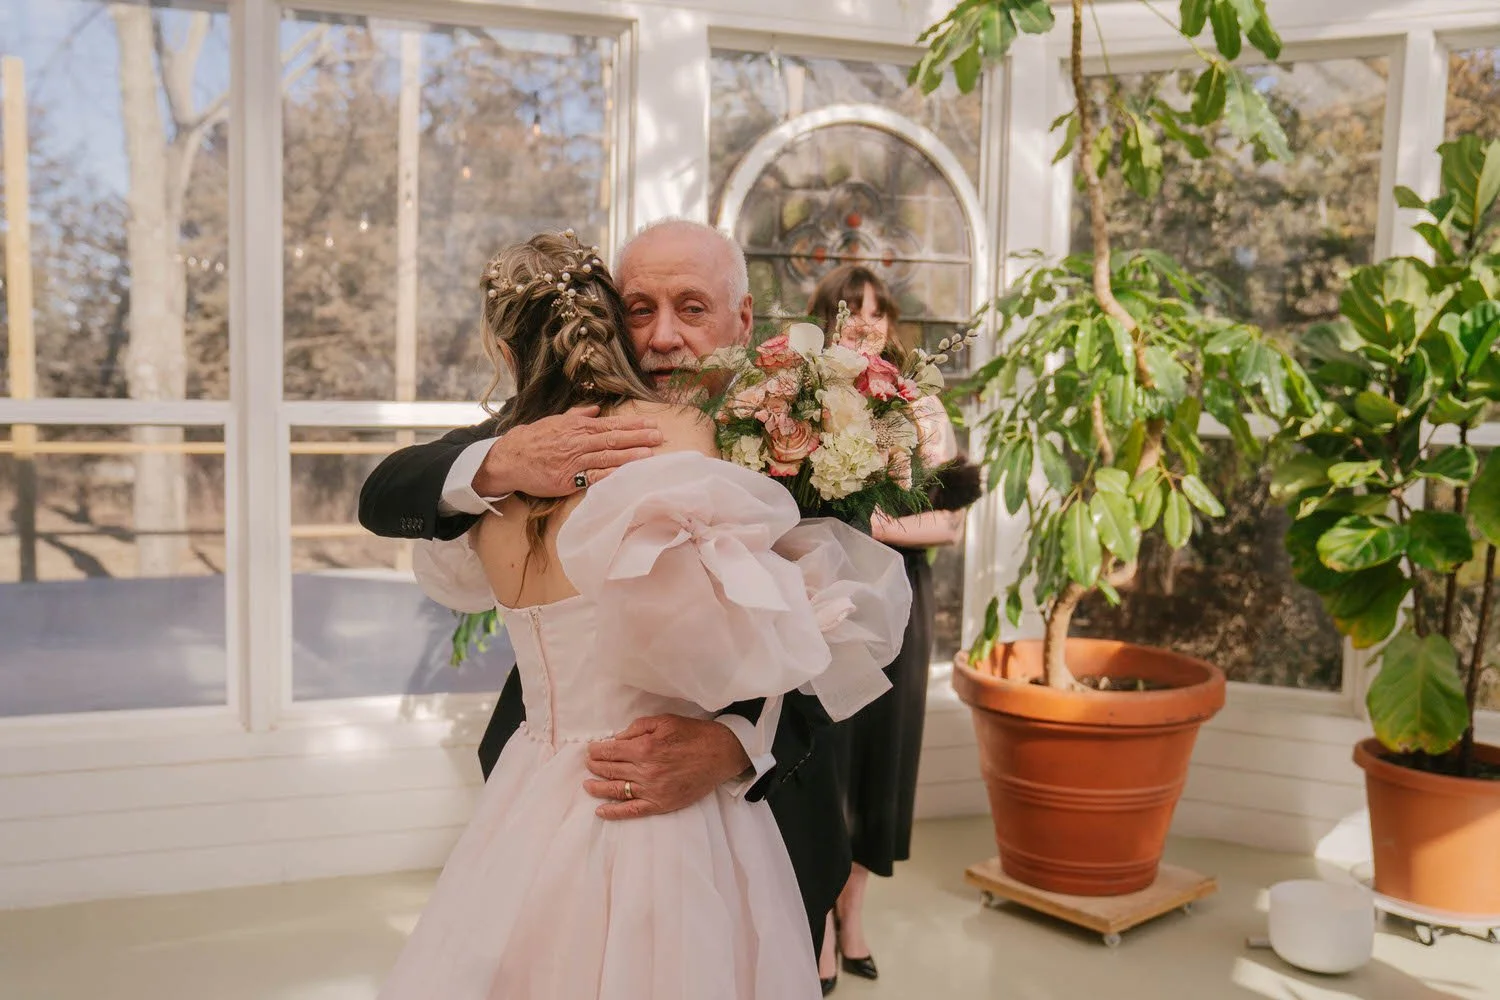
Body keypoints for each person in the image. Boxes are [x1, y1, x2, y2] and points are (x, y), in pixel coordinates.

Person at [375, 231, 909, 999]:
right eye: (639, 308)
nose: (662, 335)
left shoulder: (815, 435)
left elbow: (848, 623)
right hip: (569, 804)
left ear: (742, 318)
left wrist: (737, 742)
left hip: (771, 809)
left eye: (691, 308)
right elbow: (388, 489)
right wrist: (500, 462)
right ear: (601, 316)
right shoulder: (537, 440)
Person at [806, 264, 982, 993]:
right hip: (825, 595)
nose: (867, 321)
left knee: (881, 760)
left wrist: (868, 520)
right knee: (825, 756)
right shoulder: (804, 403)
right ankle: (814, 925)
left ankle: (853, 917)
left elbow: (947, 519)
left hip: (903, 599)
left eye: (878, 311)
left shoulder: (922, 407)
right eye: (851, 309)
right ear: (827, 320)